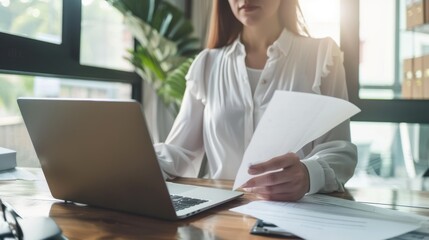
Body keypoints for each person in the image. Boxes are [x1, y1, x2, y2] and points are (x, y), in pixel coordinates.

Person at [154, 0, 357, 201]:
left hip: (296, 214)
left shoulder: (321, 57)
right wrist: (137, 162)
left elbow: (339, 150)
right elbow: (180, 150)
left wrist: (308, 174)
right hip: (222, 215)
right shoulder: (207, 64)